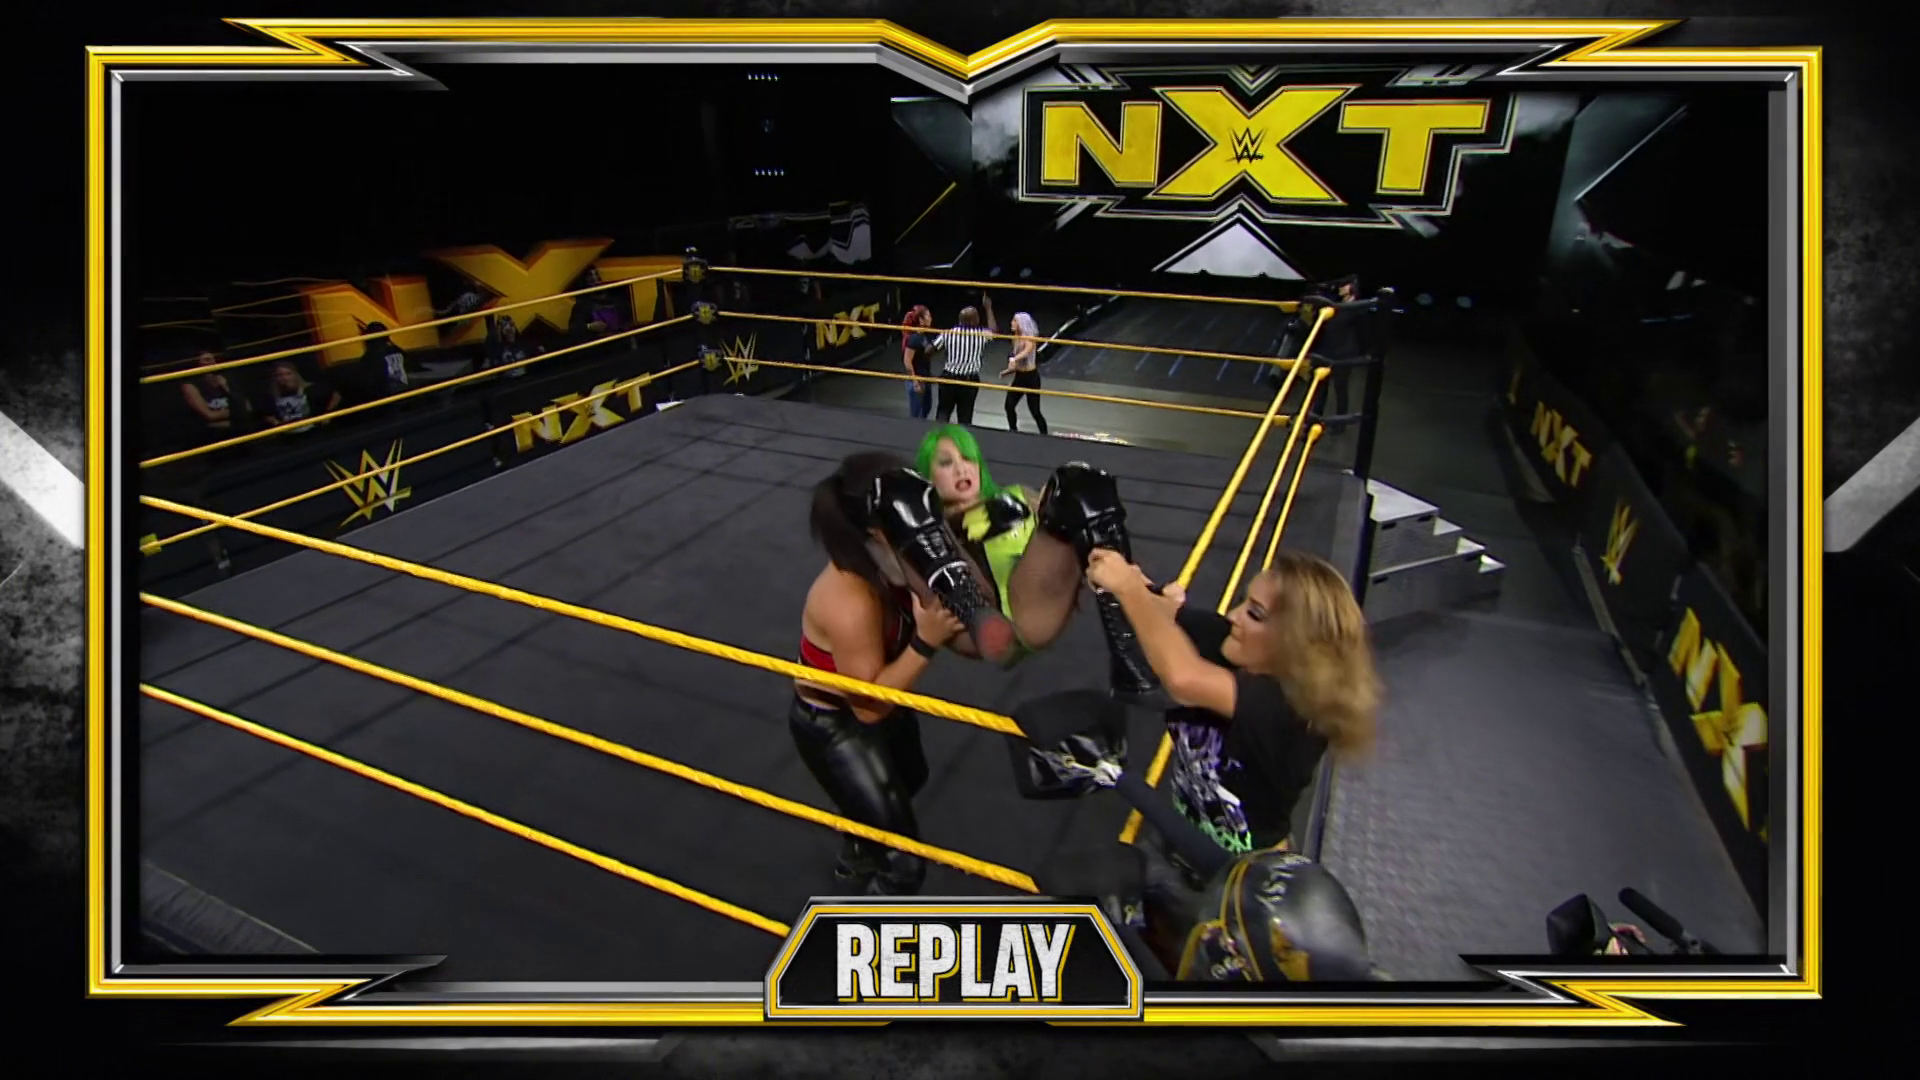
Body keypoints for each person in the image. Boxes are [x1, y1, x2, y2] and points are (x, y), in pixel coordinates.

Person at [1084, 547, 1380, 865]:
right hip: (1186, 838)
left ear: (1295, 642)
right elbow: (1166, 615)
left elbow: (1183, 678)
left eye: (1255, 614)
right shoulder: (1229, 642)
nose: (1234, 616)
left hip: (1248, 870)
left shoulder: (1292, 709)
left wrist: (1128, 589)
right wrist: (1133, 584)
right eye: (1244, 602)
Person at [793, 451, 967, 895]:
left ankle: (859, 838)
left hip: (888, 690)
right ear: (876, 531)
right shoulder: (849, 600)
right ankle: (867, 925)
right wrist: (925, 641)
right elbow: (868, 708)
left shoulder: (898, 552)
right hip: (835, 722)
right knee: (903, 864)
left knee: (911, 779)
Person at [881, 425, 1161, 699]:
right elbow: (899, 574)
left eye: (968, 458)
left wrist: (1073, 536)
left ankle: (1131, 649)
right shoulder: (925, 530)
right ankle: (977, 613)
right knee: (900, 498)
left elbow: (1060, 536)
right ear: (928, 477)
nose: (961, 469)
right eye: (946, 463)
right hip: (972, 622)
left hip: (1029, 607)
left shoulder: (1019, 495)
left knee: (1080, 482)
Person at [930, 300, 995, 426]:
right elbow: (994, 331)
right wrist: (988, 309)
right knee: (965, 416)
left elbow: (929, 350)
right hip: (968, 381)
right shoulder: (980, 334)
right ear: (973, 321)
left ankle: (938, 436)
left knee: (943, 412)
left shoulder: (948, 334)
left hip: (949, 378)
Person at [256, 360, 340, 434]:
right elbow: (266, 413)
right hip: (289, 434)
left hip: (313, 431)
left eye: (288, 374)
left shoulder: (310, 389)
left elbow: (335, 396)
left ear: (295, 374)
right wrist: (277, 423)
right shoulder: (272, 396)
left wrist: (327, 414)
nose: (284, 378)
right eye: (280, 375)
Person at [178, 351, 243, 446]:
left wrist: (226, 388)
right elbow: (210, 415)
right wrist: (237, 412)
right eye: (207, 360)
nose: (212, 362)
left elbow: (246, 407)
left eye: (214, 359)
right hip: (210, 434)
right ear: (197, 363)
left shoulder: (225, 379)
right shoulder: (190, 386)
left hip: (237, 428)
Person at [1000, 311, 1047, 434]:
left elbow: (1026, 352)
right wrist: (1008, 371)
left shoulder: (1030, 338)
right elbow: (1017, 362)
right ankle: (1013, 431)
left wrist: (1015, 359)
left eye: (1014, 321)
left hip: (1031, 378)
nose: (1012, 323)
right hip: (1020, 376)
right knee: (1009, 405)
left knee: (1035, 411)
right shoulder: (1015, 339)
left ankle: (1044, 434)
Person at [901, 304, 935, 419]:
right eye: (928, 316)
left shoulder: (924, 335)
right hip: (917, 379)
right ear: (921, 320)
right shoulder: (914, 338)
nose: (931, 319)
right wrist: (914, 380)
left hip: (925, 377)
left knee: (926, 408)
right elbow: (907, 360)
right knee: (916, 414)